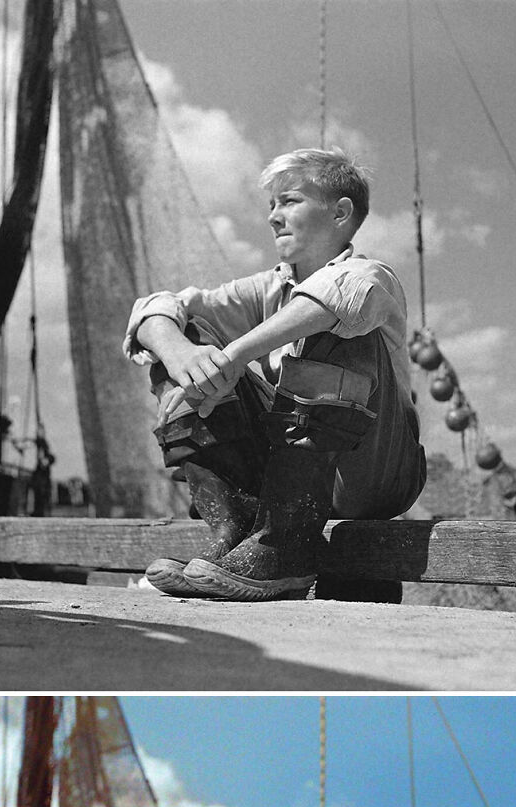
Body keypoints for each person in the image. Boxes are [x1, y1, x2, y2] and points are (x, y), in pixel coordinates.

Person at [123, 147, 426, 602]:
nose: (273, 217)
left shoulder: (370, 274)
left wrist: (237, 354)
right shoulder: (267, 288)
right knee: (181, 336)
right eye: (271, 206)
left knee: (340, 325)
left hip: (372, 476)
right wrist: (184, 355)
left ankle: (283, 544)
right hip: (281, 482)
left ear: (341, 212)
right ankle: (239, 529)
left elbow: (344, 295)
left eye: (289, 201)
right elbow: (158, 307)